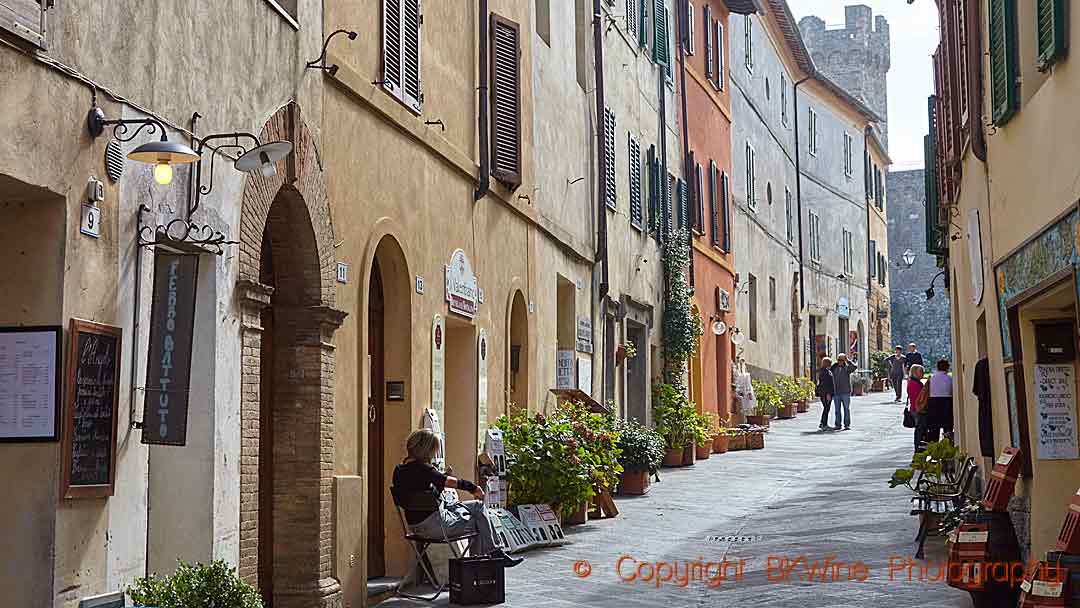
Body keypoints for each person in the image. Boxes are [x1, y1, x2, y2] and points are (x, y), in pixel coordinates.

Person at [392, 429, 522, 567]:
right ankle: (486, 560)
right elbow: (452, 482)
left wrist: (439, 479)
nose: (435, 453)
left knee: (478, 508)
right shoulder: (424, 469)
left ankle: (485, 560)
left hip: (415, 527)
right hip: (436, 527)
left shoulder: (399, 470)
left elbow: (425, 490)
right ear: (426, 450)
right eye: (434, 449)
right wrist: (474, 488)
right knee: (479, 521)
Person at [926, 359, 955, 444]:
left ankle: (934, 448)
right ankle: (948, 447)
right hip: (947, 402)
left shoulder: (932, 378)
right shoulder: (950, 379)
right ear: (947, 368)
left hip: (933, 403)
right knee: (948, 428)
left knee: (933, 429)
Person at [831, 353, 857, 430]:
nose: (840, 362)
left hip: (845, 392)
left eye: (842, 360)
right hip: (836, 392)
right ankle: (838, 424)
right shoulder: (834, 367)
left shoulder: (847, 368)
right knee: (837, 410)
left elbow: (854, 367)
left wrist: (848, 360)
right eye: (839, 360)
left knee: (846, 409)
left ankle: (847, 424)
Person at [907, 364, 926, 452]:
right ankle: (918, 448)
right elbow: (919, 396)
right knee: (919, 429)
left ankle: (919, 447)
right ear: (915, 372)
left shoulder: (915, 382)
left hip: (916, 408)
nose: (923, 373)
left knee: (920, 429)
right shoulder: (914, 383)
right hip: (917, 409)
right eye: (921, 371)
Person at [816, 357, 835, 431]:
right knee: (826, 408)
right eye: (830, 363)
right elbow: (826, 384)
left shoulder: (824, 371)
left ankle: (823, 423)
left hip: (824, 393)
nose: (831, 364)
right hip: (826, 393)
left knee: (826, 408)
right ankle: (824, 424)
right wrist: (828, 394)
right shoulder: (825, 372)